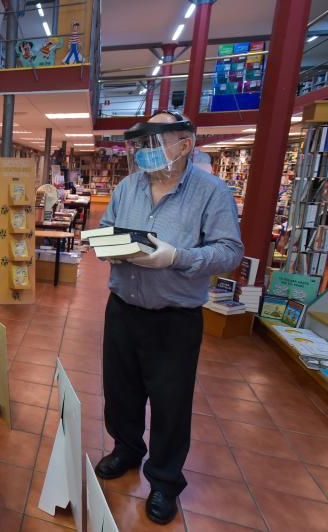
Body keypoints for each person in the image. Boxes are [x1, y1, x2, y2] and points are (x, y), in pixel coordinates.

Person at [95, 111, 243, 524]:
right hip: (123, 308)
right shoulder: (128, 186)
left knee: (171, 403)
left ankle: (163, 480)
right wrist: (109, 245)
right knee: (119, 389)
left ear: (184, 145)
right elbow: (106, 225)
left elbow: (230, 251)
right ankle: (126, 448)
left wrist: (178, 257)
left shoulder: (212, 192)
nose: (146, 153)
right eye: (140, 144)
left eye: (155, 143)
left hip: (175, 319)